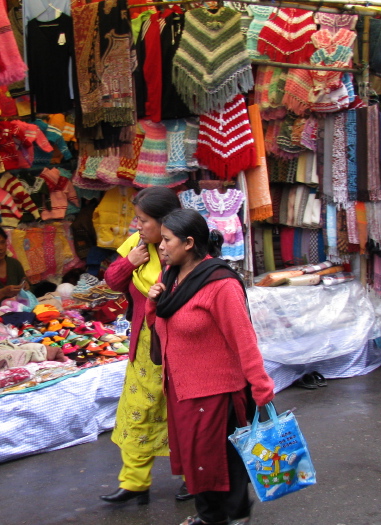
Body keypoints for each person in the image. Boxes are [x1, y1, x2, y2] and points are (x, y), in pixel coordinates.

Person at [146, 209, 275, 525]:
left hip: (217, 390)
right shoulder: (171, 278)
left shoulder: (220, 283)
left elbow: (244, 338)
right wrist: (153, 303)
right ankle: (210, 517)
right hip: (182, 388)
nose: (160, 246)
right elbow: (162, 332)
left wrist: (262, 388)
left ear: (189, 242)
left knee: (221, 460)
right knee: (198, 460)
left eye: (166, 240)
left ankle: (235, 516)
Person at [100, 187, 191, 505]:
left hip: (181, 347)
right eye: (136, 219)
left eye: (143, 220)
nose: (137, 226)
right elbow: (112, 281)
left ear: (165, 222)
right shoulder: (136, 246)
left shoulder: (185, 249)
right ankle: (134, 481)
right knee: (139, 411)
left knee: (183, 413)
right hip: (143, 346)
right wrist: (129, 261)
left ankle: (193, 477)